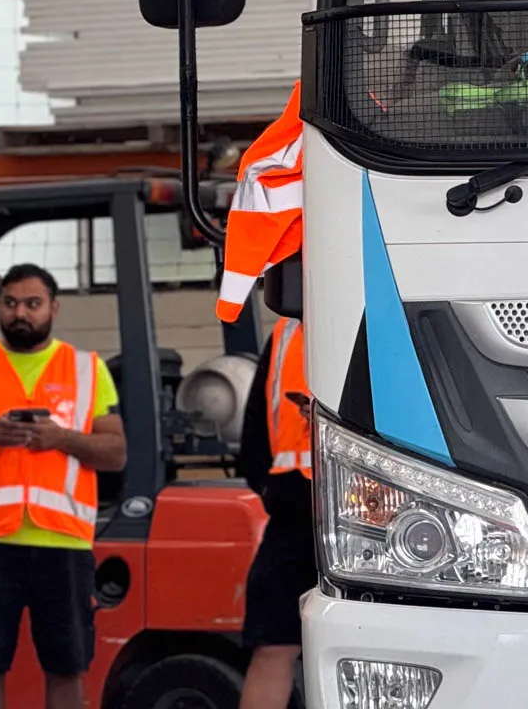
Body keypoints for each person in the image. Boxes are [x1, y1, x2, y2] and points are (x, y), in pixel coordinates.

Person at [0, 264, 125, 709]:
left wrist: (62, 438)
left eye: (32, 304)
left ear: (53, 308)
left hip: (64, 542)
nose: (21, 313)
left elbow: (116, 453)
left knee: (68, 666)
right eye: (11, 303)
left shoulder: (87, 369)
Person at [220, 83, 315, 709]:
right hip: (361, 508)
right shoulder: (312, 330)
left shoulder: (284, 332)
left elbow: (254, 447)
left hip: (295, 513)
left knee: (275, 649)